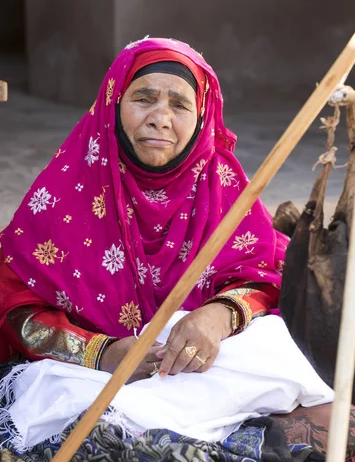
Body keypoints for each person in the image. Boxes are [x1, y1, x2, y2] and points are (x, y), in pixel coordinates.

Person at [0, 37, 288, 383]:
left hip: (203, 372)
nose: (161, 119)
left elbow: (262, 273)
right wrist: (100, 352)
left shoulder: (222, 186)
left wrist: (217, 316)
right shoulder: (67, 191)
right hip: (93, 380)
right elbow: (14, 304)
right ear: (114, 104)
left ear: (200, 117)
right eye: (144, 99)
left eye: (179, 105)